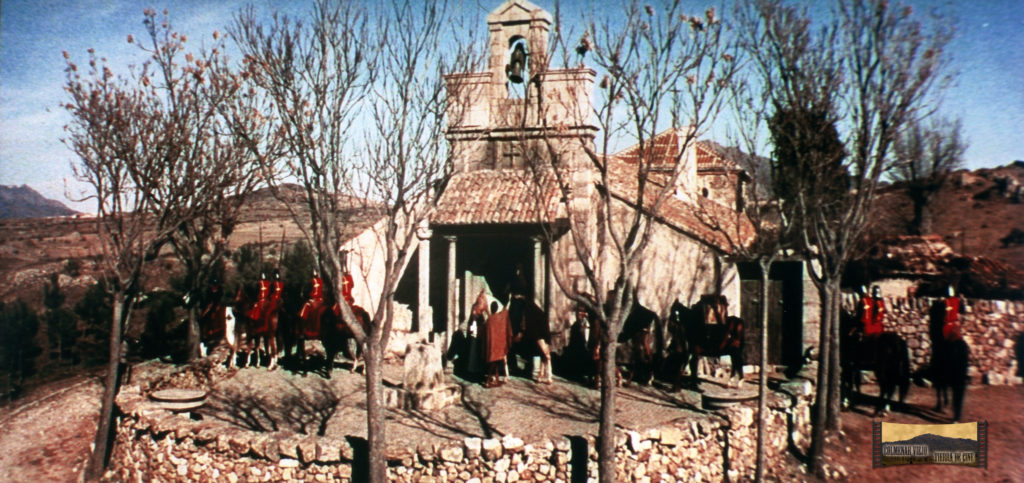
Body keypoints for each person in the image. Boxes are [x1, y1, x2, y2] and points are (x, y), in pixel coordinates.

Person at [483, 301, 511, 388]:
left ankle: (496, 379)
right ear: (496, 309)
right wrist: (508, 302)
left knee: (495, 364)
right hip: (497, 347)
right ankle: (488, 381)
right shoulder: (498, 318)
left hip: (491, 346)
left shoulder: (489, 320)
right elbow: (504, 312)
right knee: (494, 364)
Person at [300, 270, 326, 337]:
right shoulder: (321, 281)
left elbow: (307, 292)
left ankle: (303, 328)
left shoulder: (310, 282)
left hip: (313, 300)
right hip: (321, 300)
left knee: (303, 310)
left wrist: (308, 297)